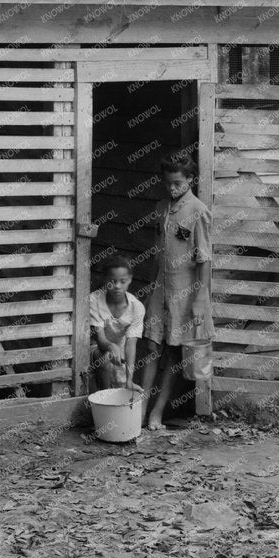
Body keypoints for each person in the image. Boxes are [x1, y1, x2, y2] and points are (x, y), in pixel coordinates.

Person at [142, 153, 213, 431]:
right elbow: (157, 255)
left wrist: (200, 299)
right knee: (151, 347)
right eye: (168, 183)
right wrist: (150, 290)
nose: (172, 189)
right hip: (161, 289)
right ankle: (139, 410)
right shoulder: (162, 207)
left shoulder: (198, 211)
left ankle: (156, 414)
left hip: (186, 292)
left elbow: (204, 258)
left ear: (190, 180)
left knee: (173, 353)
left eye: (177, 183)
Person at [88, 255, 144, 392]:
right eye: (112, 281)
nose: (117, 286)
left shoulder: (136, 307)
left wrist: (129, 380)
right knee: (104, 359)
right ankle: (104, 397)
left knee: (123, 388)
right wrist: (111, 346)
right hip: (92, 348)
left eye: (123, 281)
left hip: (120, 349)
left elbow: (131, 344)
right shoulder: (94, 300)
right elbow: (100, 339)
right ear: (105, 280)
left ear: (130, 279)